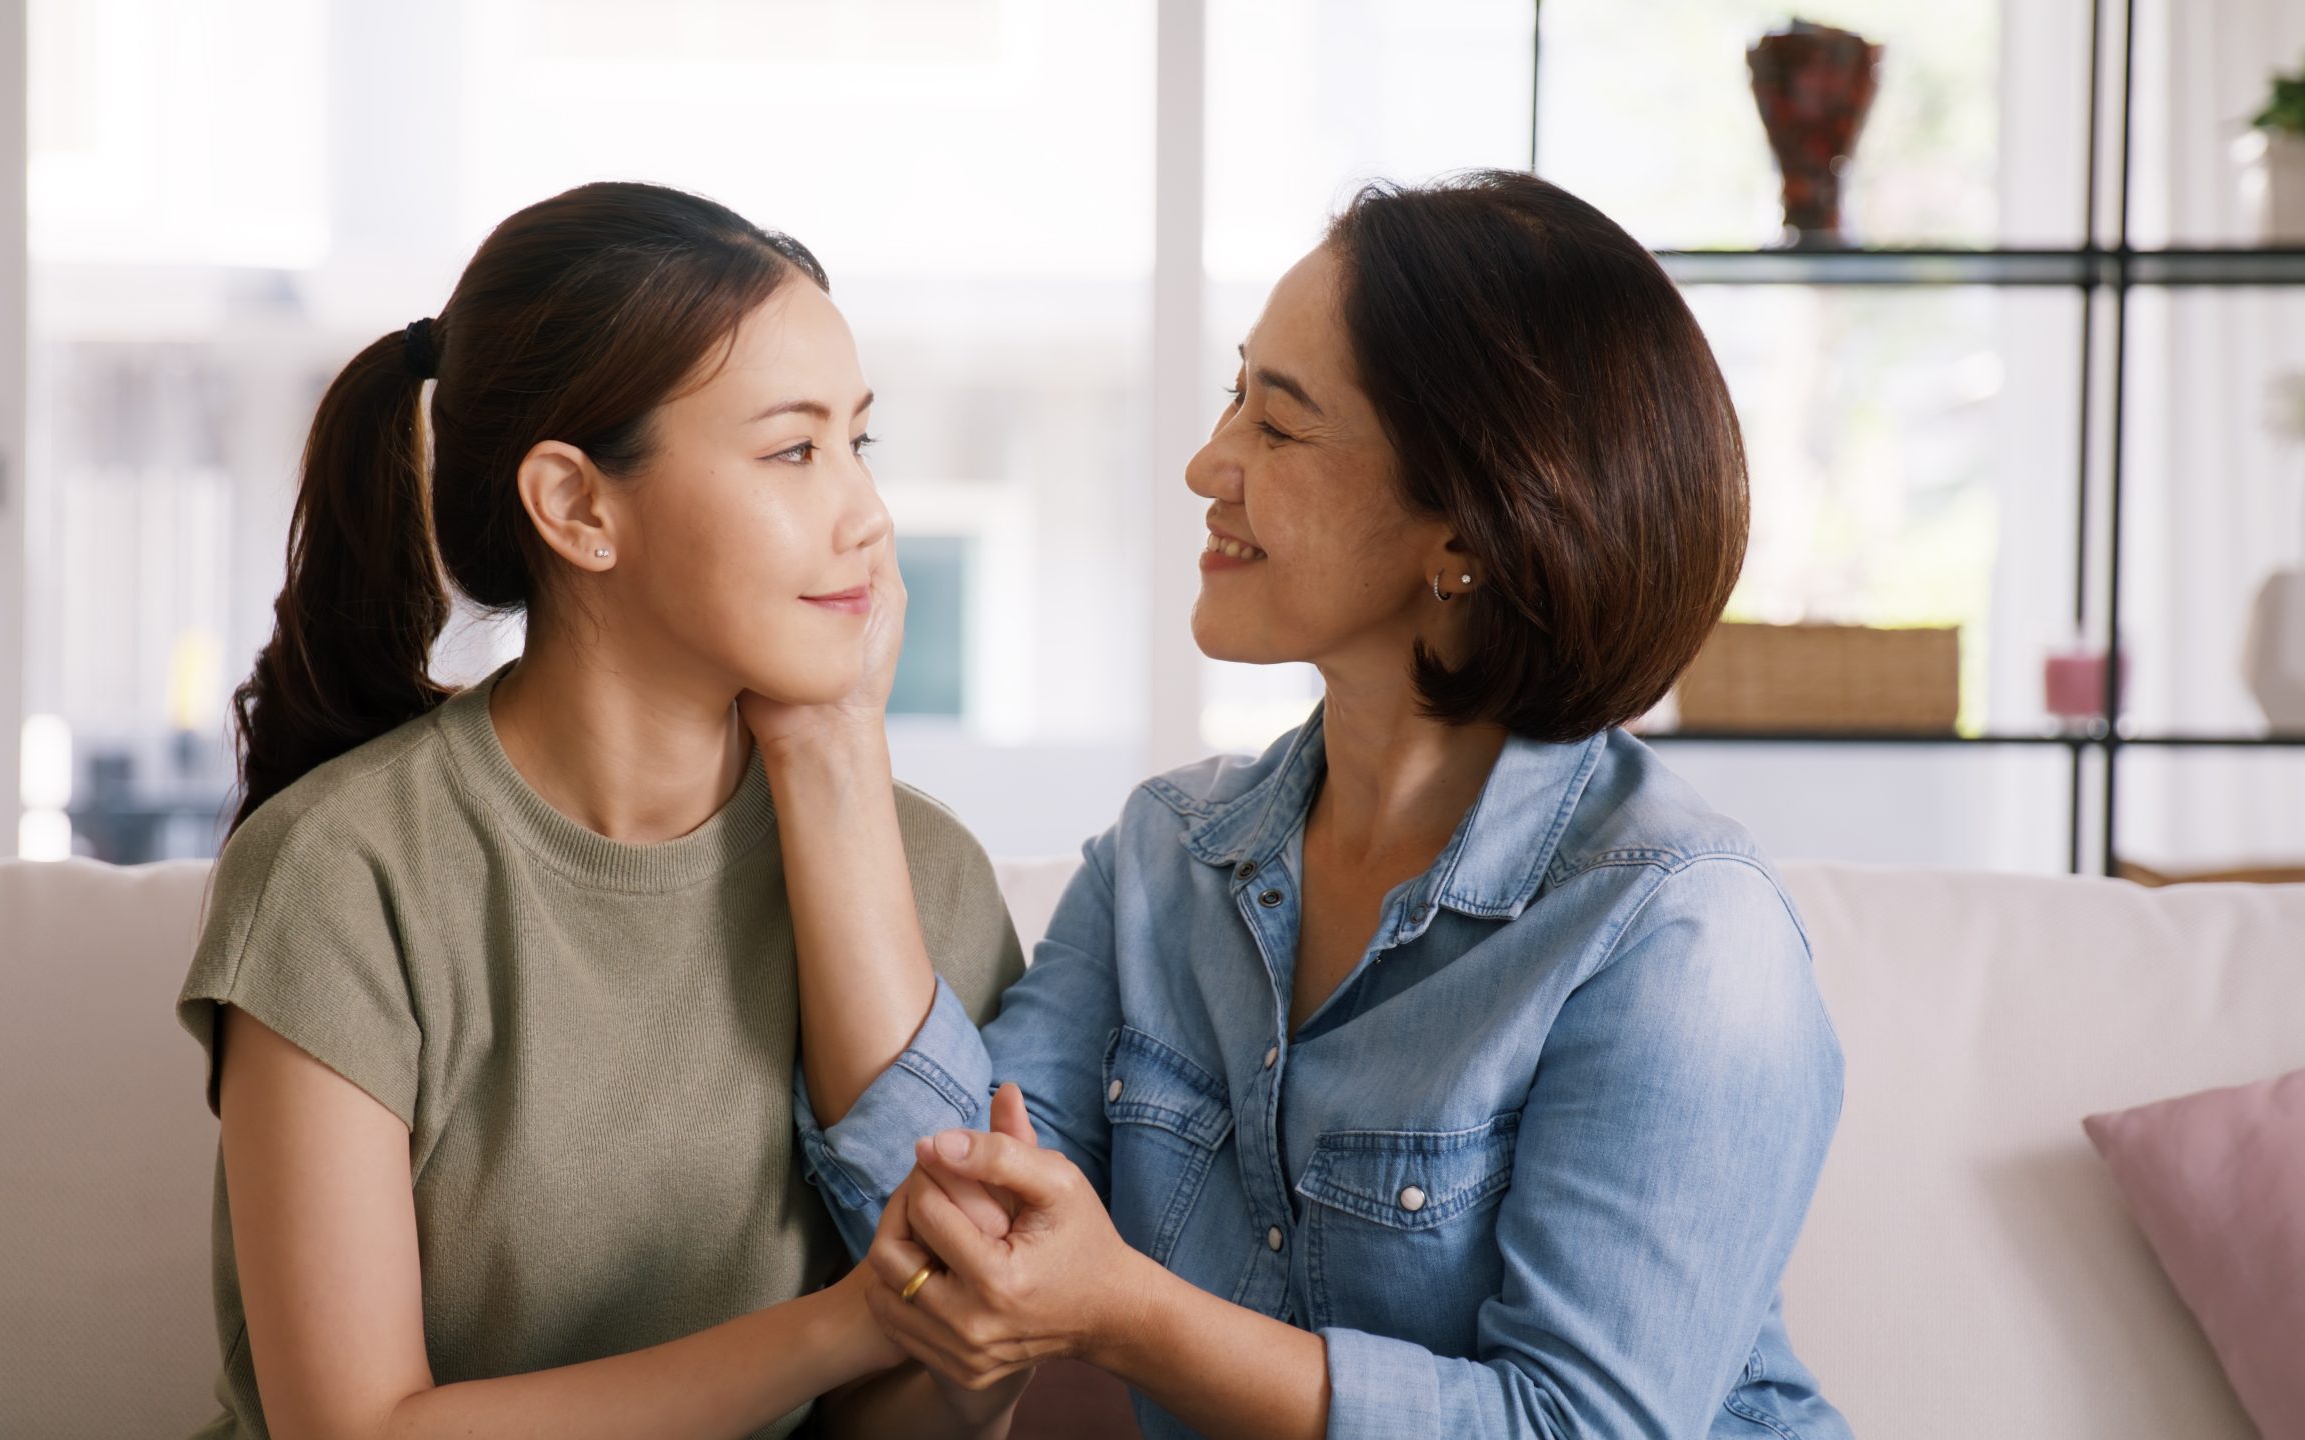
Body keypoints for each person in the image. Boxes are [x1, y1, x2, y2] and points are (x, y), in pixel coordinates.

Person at [794, 170, 1855, 1440]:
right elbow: (953, 1228)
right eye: (1232, 395)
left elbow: (1579, 1427)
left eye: (1278, 427)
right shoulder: (1165, 860)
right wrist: (832, 731)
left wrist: (1124, 1311)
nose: (1206, 462)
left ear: (1465, 527)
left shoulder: (1678, 933)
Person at [173, 181, 1026, 1439]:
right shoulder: (343, 877)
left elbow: (955, 1387)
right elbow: (354, 1431)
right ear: (577, 506)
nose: (868, 516)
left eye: (859, 442)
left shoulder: (926, 880)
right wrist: (849, 1321)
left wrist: (836, 746)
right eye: (794, 450)